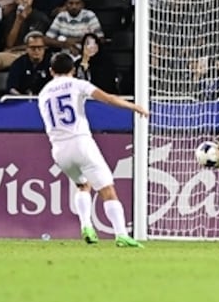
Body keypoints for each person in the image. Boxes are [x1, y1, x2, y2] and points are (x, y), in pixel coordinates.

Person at [37, 52, 148, 247]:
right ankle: (121, 235)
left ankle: (86, 225)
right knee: (107, 190)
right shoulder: (78, 84)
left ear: (51, 71)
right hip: (81, 143)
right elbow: (108, 99)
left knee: (82, 185)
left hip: (59, 150)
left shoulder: (44, 93)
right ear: (73, 69)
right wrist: (134, 107)